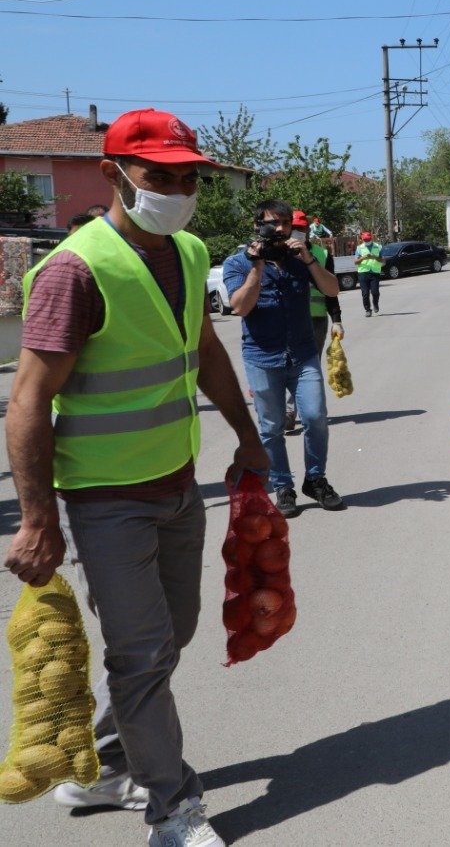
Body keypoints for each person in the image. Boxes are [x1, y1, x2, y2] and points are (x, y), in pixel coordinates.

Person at [4, 107, 270, 847]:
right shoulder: (75, 271)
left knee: (172, 634)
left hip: (178, 485)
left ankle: (104, 767)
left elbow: (205, 349)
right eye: (161, 176)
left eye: (189, 177)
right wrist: (36, 519)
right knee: (144, 654)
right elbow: (26, 400)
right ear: (113, 174)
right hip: (104, 500)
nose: (179, 189)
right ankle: (175, 809)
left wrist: (248, 436)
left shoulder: (186, 251)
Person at [223, 199, 344, 518]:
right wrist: (257, 267)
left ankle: (315, 480)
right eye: (271, 223)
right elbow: (240, 307)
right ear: (256, 226)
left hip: (303, 354)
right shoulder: (238, 263)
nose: (279, 229)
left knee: (316, 417)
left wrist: (309, 262)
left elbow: (332, 290)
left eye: (285, 223)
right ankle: (283, 486)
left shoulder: (299, 259)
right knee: (272, 427)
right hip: (262, 357)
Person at [282, 211, 343, 435]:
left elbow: (331, 291)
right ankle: (287, 411)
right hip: (286, 319)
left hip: (316, 320)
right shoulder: (279, 253)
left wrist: (336, 320)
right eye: (293, 227)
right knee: (285, 365)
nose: (297, 231)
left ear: (307, 229)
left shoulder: (320, 253)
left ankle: (299, 412)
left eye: (301, 227)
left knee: (308, 367)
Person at [354, 231, 384, 316]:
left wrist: (374, 257)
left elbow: (383, 260)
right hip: (363, 272)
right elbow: (355, 262)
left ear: (371, 238)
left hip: (375, 272)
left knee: (375, 292)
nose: (367, 241)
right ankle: (368, 310)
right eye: (365, 240)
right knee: (365, 293)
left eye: (368, 239)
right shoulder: (359, 248)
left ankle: (375, 304)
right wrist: (363, 257)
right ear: (362, 239)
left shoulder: (378, 247)